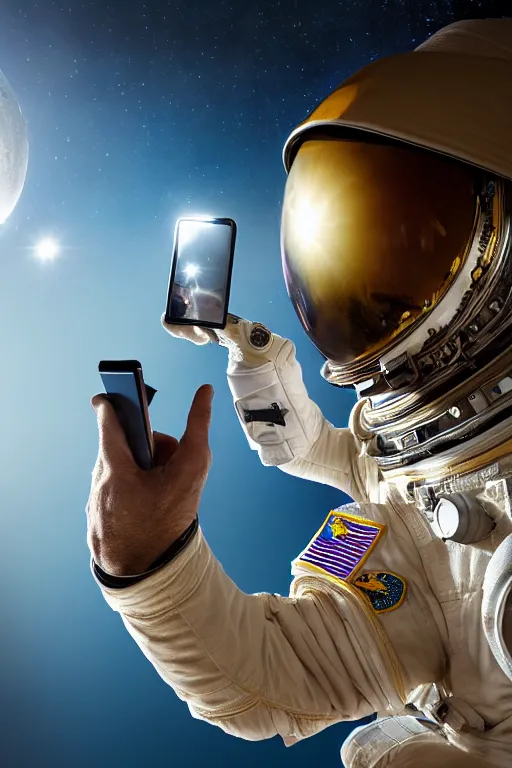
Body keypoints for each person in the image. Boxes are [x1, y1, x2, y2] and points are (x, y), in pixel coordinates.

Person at [86, 19, 512, 768]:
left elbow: (264, 683)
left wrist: (145, 565)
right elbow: (323, 456)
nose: (385, 303)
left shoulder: (439, 537)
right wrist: (148, 556)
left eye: (421, 237)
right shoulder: (408, 508)